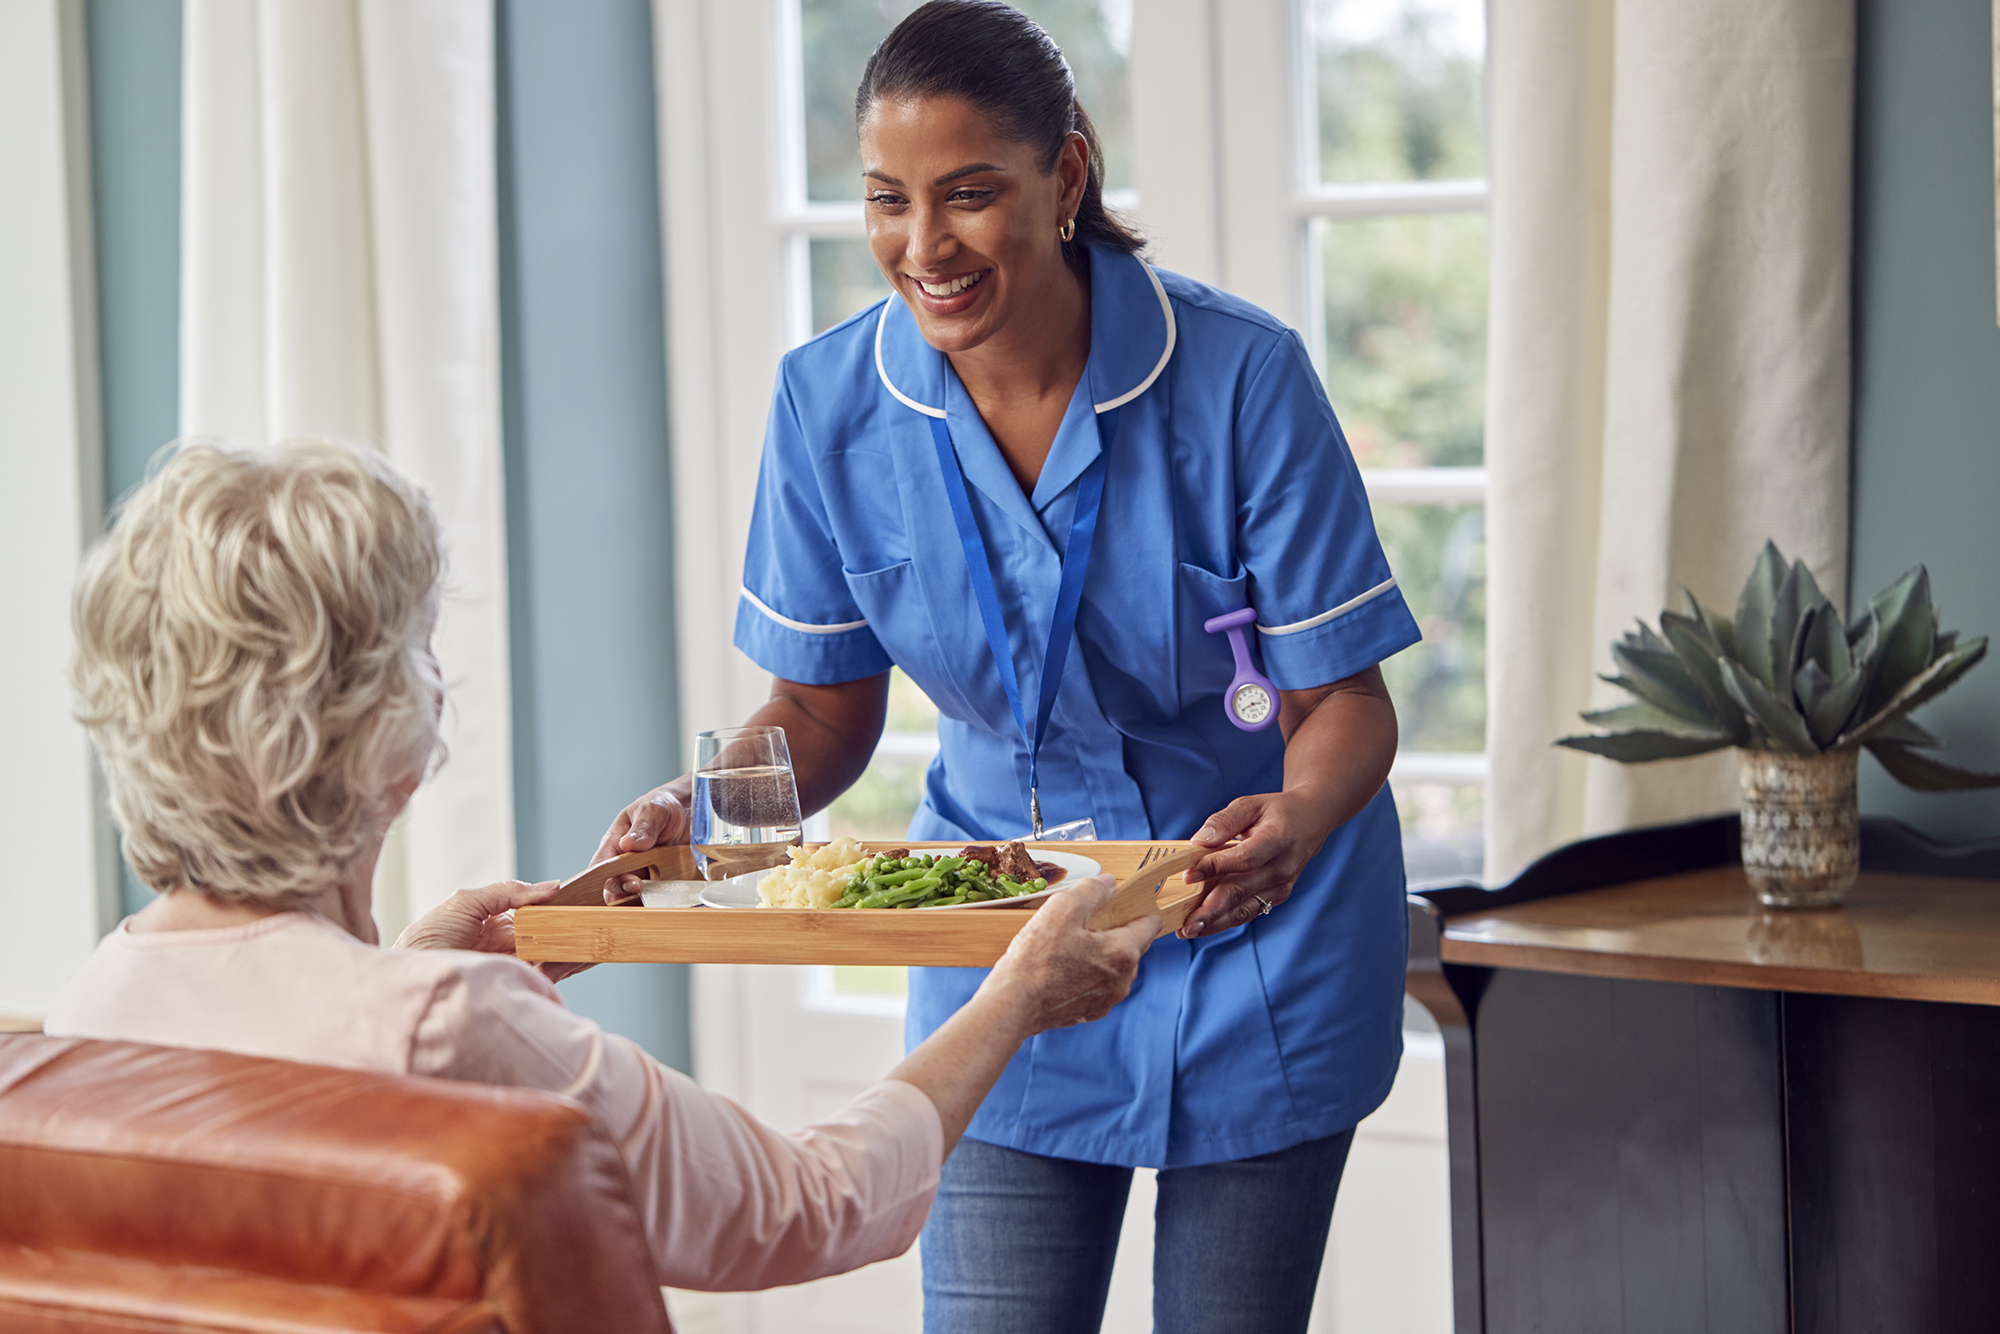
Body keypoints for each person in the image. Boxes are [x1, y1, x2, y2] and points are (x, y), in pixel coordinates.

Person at [595, 3, 1422, 1329]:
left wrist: (1300, 815)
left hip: (1254, 932)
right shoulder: (830, 407)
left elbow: (1345, 706)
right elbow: (819, 708)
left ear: (1068, 177)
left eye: (971, 195)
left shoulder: (1243, 378)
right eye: (887, 200)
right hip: (1007, 942)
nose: (924, 247)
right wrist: (698, 812)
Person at [44, 437, 1157, 1294]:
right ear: (378, 728)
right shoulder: (455, 1027)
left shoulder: (96, 1008)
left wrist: (397, 964)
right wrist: (1013, 996)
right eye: (419, 648)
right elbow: (809, 1203)